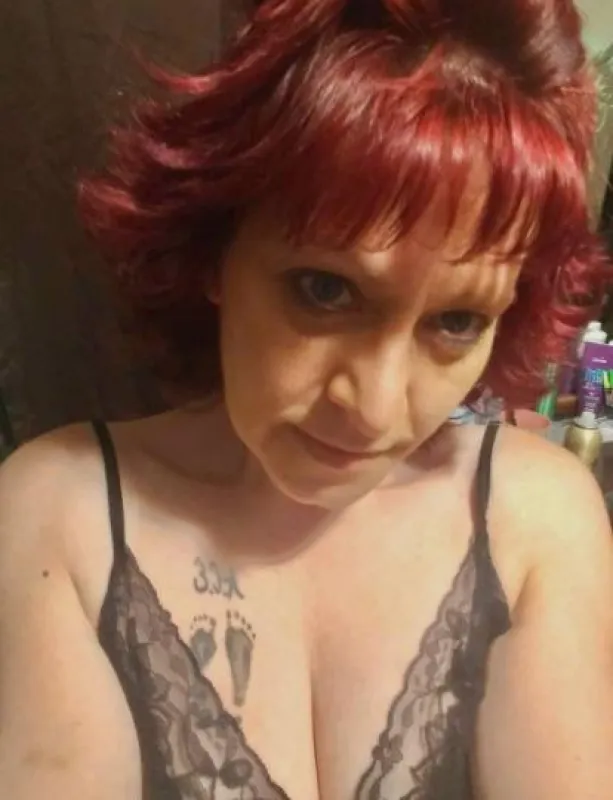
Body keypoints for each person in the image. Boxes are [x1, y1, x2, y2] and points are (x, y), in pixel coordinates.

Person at [1, 1, 613, 798]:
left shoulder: (535, 522)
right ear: (215, 250)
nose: (375, 407)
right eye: (325, 290)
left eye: (456, 321)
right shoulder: (59, 519)